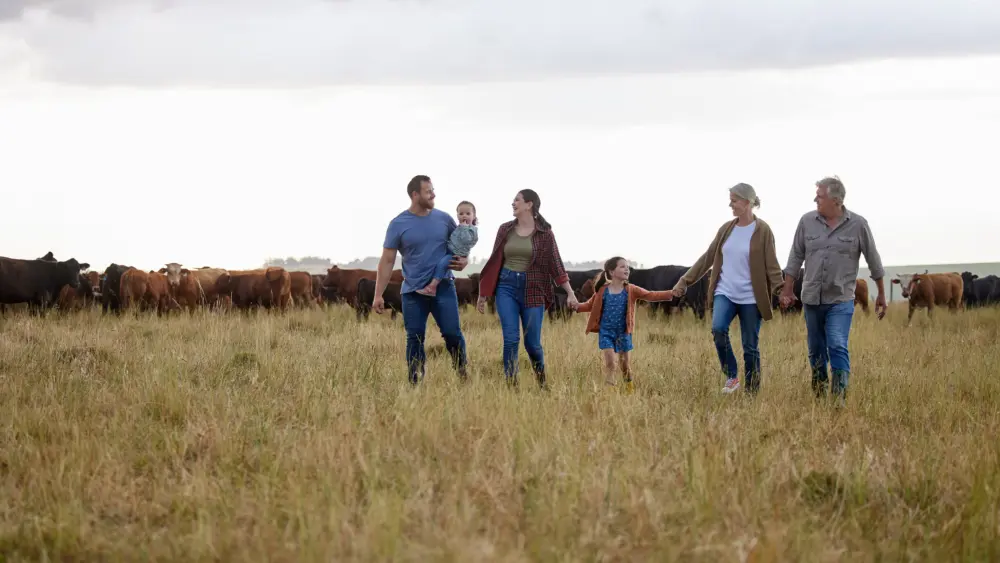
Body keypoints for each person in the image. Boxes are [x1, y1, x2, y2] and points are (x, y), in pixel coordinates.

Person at [780, 176, 887, 406]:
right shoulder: (806, 221)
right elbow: (795, 255)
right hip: (811, 299)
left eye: (820, 196)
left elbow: (874, 260)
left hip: (840, 299)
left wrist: (881, 294)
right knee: (816, 350)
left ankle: (839, 399)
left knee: (837, 344)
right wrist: (787, 288)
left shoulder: (858, 225)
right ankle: (819, 397)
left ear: (836, 200)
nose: (815, 200)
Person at [671, 183, 785, 395]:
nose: (730, 204)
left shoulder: (763, 230)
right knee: (718, 329)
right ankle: (732, 376)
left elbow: (772, 263)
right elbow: (707, 258)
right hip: (725, 291)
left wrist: (781, 289)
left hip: (752, 297)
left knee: (750, 347)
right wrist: (684, 281)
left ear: (747, 202)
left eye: (734, 200)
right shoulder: (726, 229)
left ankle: (752, 392)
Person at [476, 189, 578, 388]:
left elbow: (555, 264)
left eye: (517, 200)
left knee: (532, 344)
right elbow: (494, 261)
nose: (513, 203)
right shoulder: (505, 229)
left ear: (529, 204)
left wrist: (570, 292)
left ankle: (542, 382)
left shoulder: (545, 233)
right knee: (511, 338)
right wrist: (483, 293)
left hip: (534, 289)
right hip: (506, 286)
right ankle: (511, 386)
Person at [374, 175, 469, 384]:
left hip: (443, 286)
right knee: (415, 337)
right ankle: (415, 380)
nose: (433, 194)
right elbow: (387, 261)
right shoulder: (398, 224)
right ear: (415, 195)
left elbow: (461, 245)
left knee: (453, 334)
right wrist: (378, 294)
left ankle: (462, 373)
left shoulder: (444, 219)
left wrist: (464, 261)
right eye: (428, 191)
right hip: (412, 292)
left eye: (433, 190)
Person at [575, 256, 676, 391]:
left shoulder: (631, 289)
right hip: (606, 332)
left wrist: (671, 293)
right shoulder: (602, 290)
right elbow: (590, 305)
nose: (627, 269)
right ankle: (609, 393)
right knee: (611, 363)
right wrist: (577, 307)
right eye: (622, 267)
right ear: (611, 272)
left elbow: (650, 295)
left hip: (623, 332)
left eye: (628, 267)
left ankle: (629, 389)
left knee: (625, 366)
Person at [417, 201, 478, 296]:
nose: (464, 216)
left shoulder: (471, 230)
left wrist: (464, 228)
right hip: (449, 249)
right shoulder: (459, 226)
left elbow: (467, 241)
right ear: (457, 215)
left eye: (468, 214)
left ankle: (432, 287)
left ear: (474, 216)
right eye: (461, 214)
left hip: (455, 254)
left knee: (442, 265)